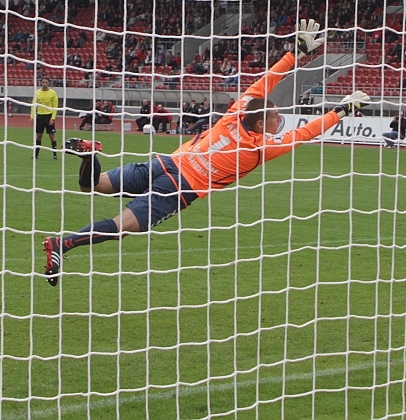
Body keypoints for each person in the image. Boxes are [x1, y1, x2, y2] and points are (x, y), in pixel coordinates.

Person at [43, 19, 369, 286]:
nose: (278, 119)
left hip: (164, 163)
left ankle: (89, 155)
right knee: (120, 229)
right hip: (178, 188)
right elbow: (304, 133)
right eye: (274, 117)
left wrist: (294, 53)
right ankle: (61, 244)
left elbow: (265, 81)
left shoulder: (237, 110)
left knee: (93, 184)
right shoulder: (258, 149)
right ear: (260, 123)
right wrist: (340, 111)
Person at [31, 77, 59, 159]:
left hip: (49, 116)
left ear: (49, 83)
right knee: (39, 136)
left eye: (46, 82)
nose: (45, 84)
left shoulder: (52, 93)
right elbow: (33, 105)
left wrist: (53, 118)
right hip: (40, 116)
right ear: (41, 83)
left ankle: (55, 155)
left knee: (52, 136)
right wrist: (32, 116)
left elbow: (55, 106)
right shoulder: (37, 93)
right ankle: (36, 155)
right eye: (43, 82)